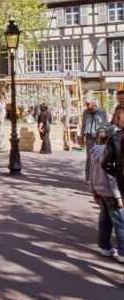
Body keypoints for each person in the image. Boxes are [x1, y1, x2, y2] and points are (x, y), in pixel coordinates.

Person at [89, 126, 124, 263]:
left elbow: (91, 172)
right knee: (120, 222)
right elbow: (112, 176)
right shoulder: (111, 151)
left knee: (104, 220)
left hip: (99, 190)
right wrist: (118, 197)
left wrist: (93, 190)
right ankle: (122, 252)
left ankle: (104, 247)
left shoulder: (94, 151)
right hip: (111, 192)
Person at [82, 97, 109, 181]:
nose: (86, 106)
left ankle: (99, 177)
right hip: (89, 136)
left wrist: (103, 137)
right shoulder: (85, 112)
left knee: (100, 156)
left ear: (93, 104)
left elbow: (105, 125)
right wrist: (81, 135)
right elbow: (83, 124)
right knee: (89, 157)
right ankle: (89, 177)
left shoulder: (102, 112)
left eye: (88, 104)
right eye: (86, 104)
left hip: (99, 137)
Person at [103, 108, 124, 200]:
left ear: (119, 119)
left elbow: (105, 163)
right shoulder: (114, 137)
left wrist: (117, 173)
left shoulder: (115, 137)